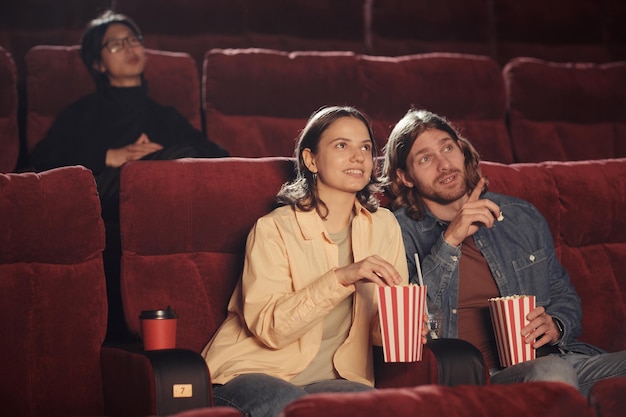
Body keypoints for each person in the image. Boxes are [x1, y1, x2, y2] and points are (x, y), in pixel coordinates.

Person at [382, 108, 626, 397]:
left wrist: (556, 324)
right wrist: (450, 239)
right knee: (551, 371)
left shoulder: (519, 216)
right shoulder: (395, 231)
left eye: (448, 148)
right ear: (405, 177)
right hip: (477, 377)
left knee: (555, 367)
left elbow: (564, 295)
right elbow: (411, 326)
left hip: (555, 359)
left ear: (462, 151)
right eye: (425, 159)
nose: (444, 164)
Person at [202, 106, 426, 417]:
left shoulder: (383, 224)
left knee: (377, 406)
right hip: (253, 371)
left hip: (333, 379)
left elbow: (379, 325)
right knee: (289, 406)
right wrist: (342, 277)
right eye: (341, 145)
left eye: (365, 147)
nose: (359, 157)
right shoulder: (273, 229)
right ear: (311, 160)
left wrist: (404, 327)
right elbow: (272, 329)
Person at [29, 10, 229, 223]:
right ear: (99, 64)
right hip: (104, 206)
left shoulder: (165, 116)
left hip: (166, 209)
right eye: (116, 44)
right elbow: (43, 160)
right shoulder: (82, 112)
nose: (129, 48)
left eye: (133, 40)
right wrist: (110, 156)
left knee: (184, 158)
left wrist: (160, 158)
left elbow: (219, 157)